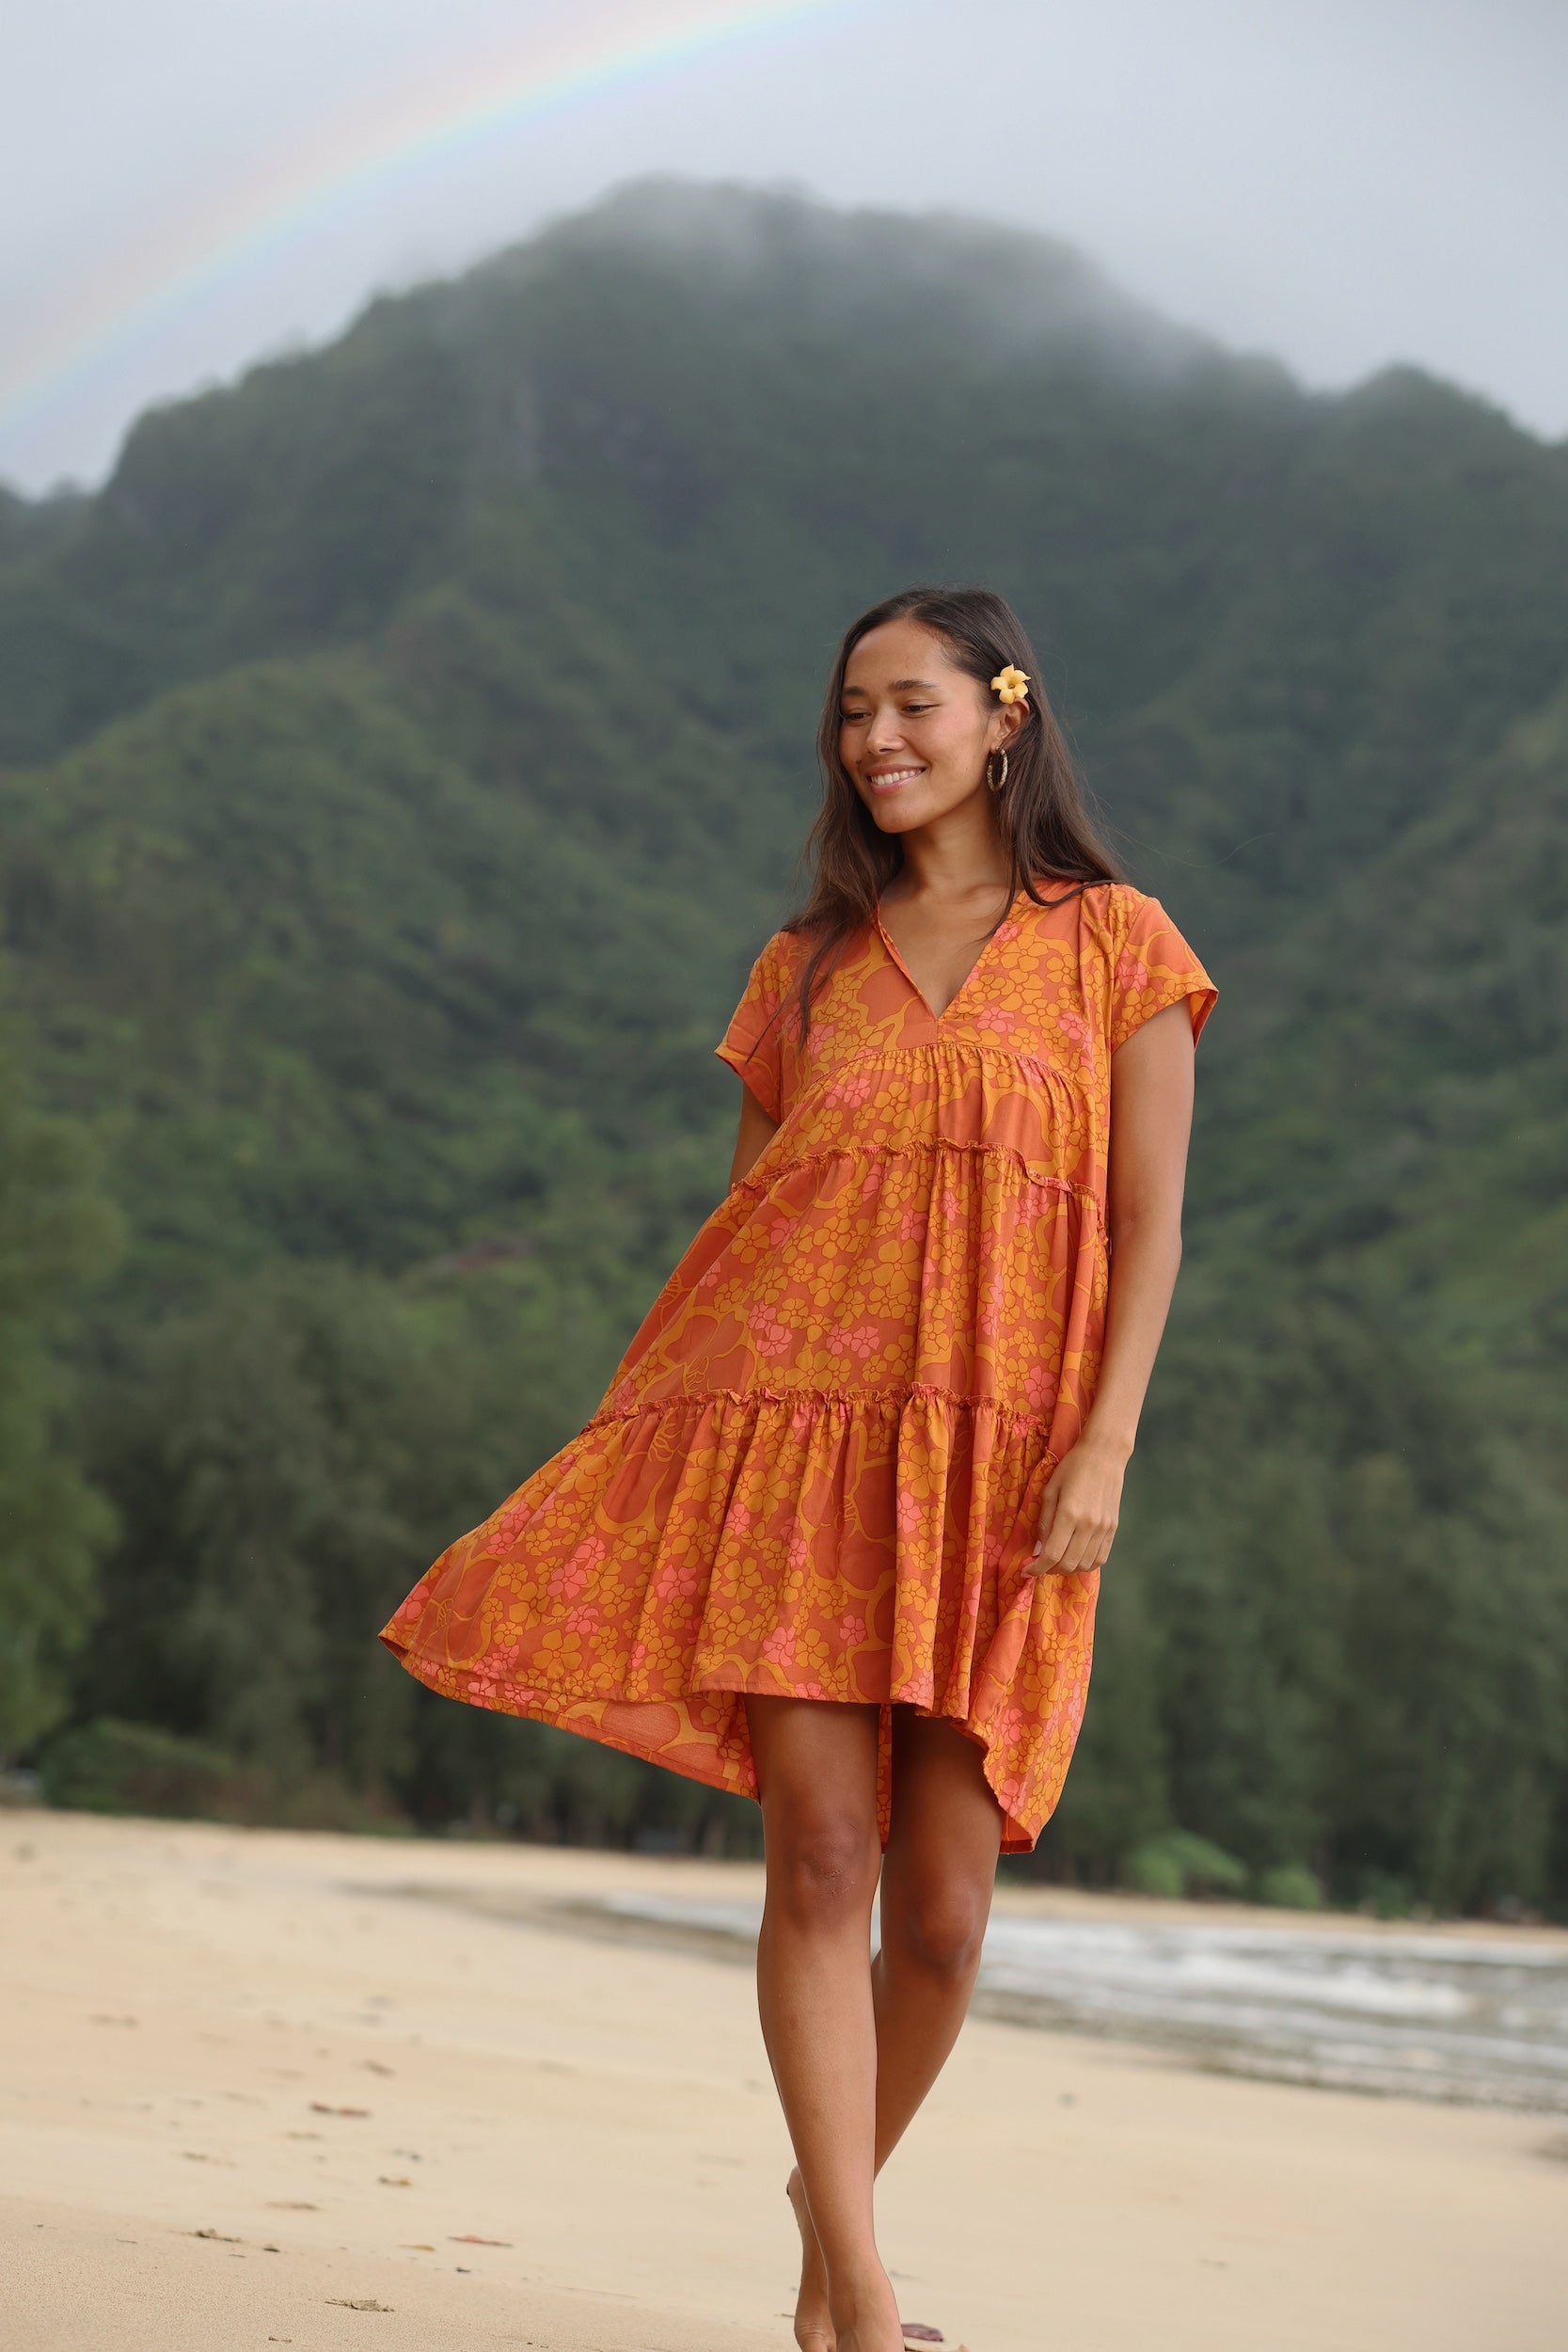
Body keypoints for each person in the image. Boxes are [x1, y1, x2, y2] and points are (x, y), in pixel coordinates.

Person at [381, 585, 1216, 2352]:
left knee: (947, 1916)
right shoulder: (804, 971)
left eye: (910, 703)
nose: (875, 741)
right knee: (820, 1864)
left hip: (1004, 1466)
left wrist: (1107, 1442)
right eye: (851, 712)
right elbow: (747, 1240)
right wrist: (655, 1453)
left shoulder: (1121, 944)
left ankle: (822, 2197)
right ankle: (857, 2291)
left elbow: (1150, 1228)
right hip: (800, 1457)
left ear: (1006, 713)